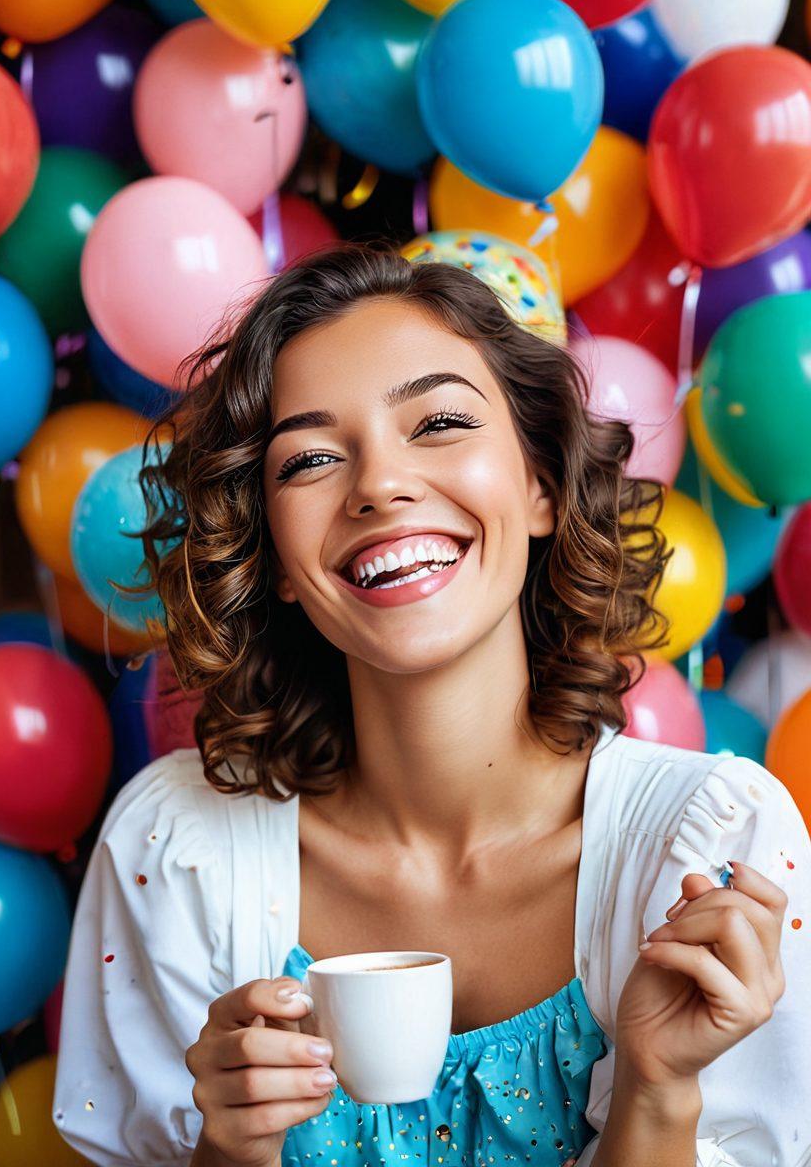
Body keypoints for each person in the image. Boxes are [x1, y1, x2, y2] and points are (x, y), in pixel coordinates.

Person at [52, 243, 811, 1167]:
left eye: (440, 421)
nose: (378, 485)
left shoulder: (715, 851)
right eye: (310, 460)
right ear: (276, 558)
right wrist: (228, 1150)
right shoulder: (174, 854)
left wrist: (658, 1091)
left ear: (539, 484)